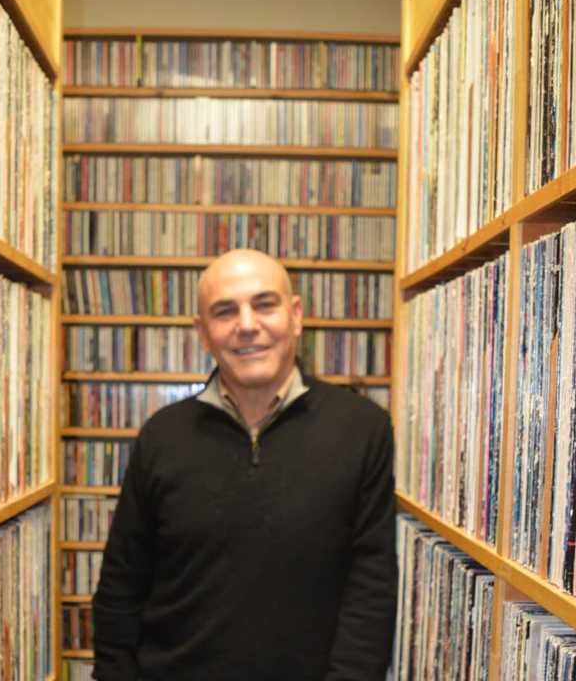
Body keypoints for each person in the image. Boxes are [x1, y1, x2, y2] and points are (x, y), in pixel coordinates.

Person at [92, 248, 397, 681]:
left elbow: (371, 586)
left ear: (295, 315)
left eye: (264, 304)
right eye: (224, 311)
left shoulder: (362, 429)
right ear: (202, 333)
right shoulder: (161, 437)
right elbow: (121, 589)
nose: (248, 325)